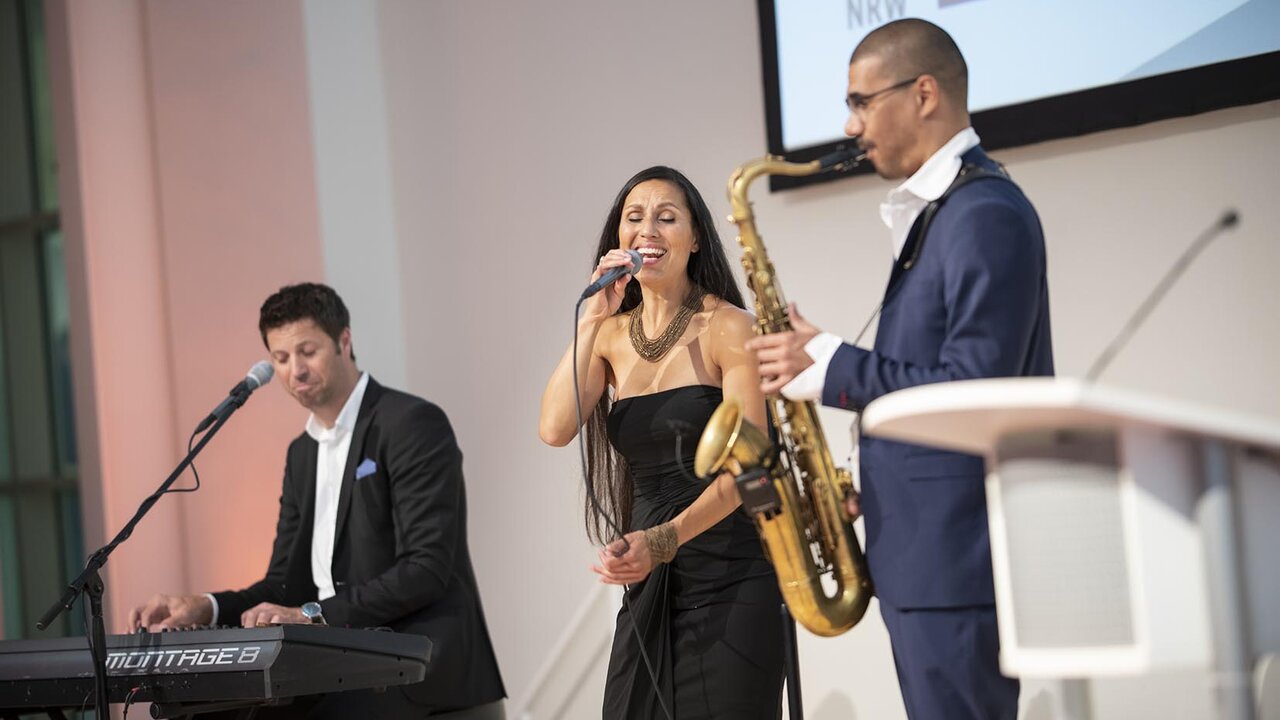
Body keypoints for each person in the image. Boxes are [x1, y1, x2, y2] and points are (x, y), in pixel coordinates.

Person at [745, 18, 1053, 720]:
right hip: (928, 556)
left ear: (923, 94)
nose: (851, 125)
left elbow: (976, 386)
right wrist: (873, 484)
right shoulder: (948, 214)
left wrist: (829, 364)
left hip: (956, 562)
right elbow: (933, 376)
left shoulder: (982, 214)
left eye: (861, 101)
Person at [130, 282, 506, 719]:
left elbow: (424, 570)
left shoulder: (411, 424)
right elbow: (282, 585)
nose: (296, 371)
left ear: (344, 341)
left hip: (417, 673)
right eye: (281, 359)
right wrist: (206, 607)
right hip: (336, 666)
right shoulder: (302, 453)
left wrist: (311, 614)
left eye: (307, 351)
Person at [539, 166, 784, 719]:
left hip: (731, 572)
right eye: (634, 218)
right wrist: (589, 322)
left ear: (695, 239)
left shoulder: (730, 326)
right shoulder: (607, 335)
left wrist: (664, 541)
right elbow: (555, 429)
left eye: (666, 218)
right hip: (650, 571)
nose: (647, 230)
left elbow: (751, 469)